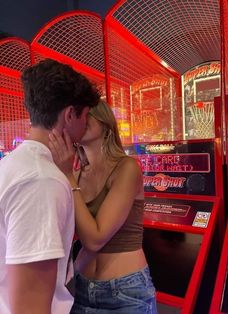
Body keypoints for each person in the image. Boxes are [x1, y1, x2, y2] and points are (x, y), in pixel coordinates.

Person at [0, 58, 100, 314]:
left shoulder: (15, 164)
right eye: (85, 116)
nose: (85, 125)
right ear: (69, 115)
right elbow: (30, 305)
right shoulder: (40, 180)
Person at [48, 101, 158, 313]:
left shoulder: (127, 168)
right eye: (75, 116)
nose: (80, 120)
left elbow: (95, 239)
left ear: (106, 122)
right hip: (80, 287)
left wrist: (68, 176)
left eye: (87, 114)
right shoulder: (78, 174)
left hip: (126, 290)